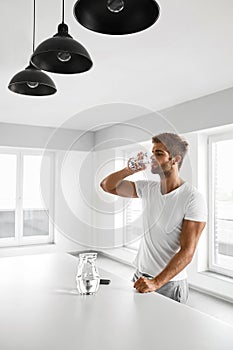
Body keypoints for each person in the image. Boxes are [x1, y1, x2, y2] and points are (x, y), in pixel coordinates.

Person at [100, 132, 207, 303]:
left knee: (165, 330)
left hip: (168, 284)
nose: (152, 158)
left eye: (159, 153)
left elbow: (188, 251)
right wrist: (129, 170)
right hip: (140, 277)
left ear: (175, 159)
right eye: (153, 153)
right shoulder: (148, 189)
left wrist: (156, 282)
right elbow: (107, 186)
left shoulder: (192, 197)